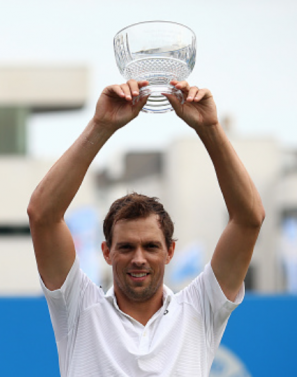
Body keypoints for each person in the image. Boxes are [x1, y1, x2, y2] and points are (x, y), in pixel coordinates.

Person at [27, 80, 265, 376]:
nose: (139, 258)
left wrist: (210, 128)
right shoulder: (78, 308)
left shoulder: (200, 308)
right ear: (106, 252)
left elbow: (249, 219)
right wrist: (101, 125)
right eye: (126, 247)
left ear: (170, 251)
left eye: (151, 246)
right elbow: (42, 215)